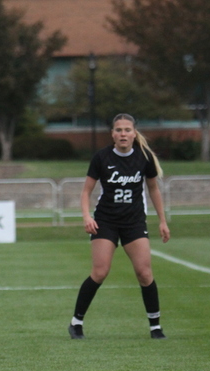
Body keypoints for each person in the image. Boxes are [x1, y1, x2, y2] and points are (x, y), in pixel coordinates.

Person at [68, 113, 170, 340]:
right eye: (118, 130)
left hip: (134, 222)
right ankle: (76, 322)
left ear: (134, 133)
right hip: (106, 222)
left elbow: (153, 189)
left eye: (127, 130)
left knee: (144, 273)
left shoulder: (144, 157)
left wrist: (162, 221)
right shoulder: (101, 157)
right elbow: (86, 191)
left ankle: (155, 327)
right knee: (100, 272)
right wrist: (86, 216)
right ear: (112, 134)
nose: (123, 134)